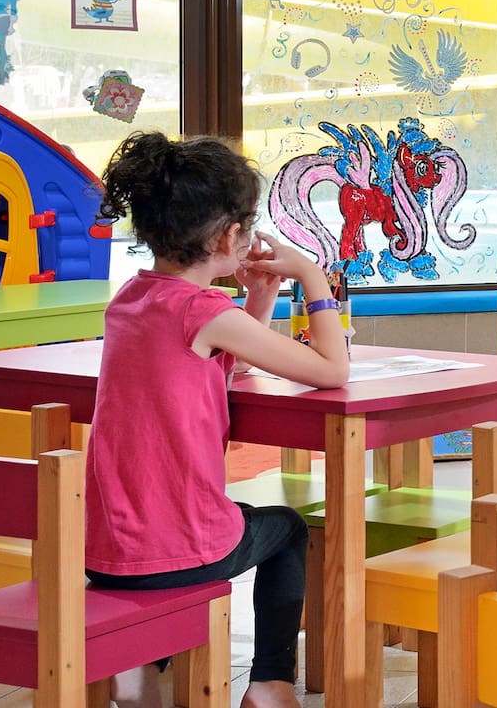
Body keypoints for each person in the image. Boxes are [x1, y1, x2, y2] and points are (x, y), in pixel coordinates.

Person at [85, 133, 350, 708]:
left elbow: (203, 375)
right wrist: (313, 279)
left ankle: (139, 675)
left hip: (109, 550)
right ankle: (270, 683)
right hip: (178, 549)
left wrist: (257, 301)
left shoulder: (131, 300)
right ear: (230, 235)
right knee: (288, 529)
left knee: (230, 522)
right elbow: (332, 369)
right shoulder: (203, 312)